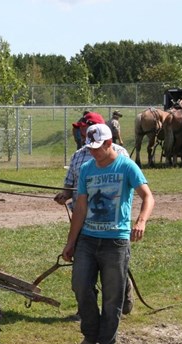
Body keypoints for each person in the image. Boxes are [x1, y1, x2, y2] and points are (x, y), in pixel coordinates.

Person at [61, 123, 154, 344]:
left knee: (113, 297)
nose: (92, 152)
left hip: (116, 242)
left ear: (109, 143)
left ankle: (106, 342)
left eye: (96, 148)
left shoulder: (127, 166)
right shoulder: (86, 169)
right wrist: (71, 242)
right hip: (88, 240)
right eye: (89, 148)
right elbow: (80, 208)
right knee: (80, 286)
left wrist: (141, 221)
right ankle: (90, 335)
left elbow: (148, 197)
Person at [54, 112, 135, 317]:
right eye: (81, 128)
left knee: (113, 270)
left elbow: (130, 185)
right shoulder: (78, 155)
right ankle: (86, 311)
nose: (81, 131)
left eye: (85, 127)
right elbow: (69, 184)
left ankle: (124, 295)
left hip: (110, 223)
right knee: (83, 271)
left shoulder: (120, 154)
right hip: (83, 222)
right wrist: (64, 194)